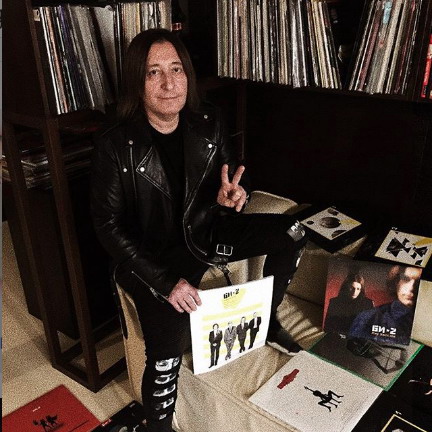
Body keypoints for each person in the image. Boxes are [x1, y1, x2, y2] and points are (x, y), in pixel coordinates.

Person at [91, 28, 307, 432]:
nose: (169, 83)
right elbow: (108, 225)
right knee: (166, 347)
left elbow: (228, 180)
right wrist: (166, 282)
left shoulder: (208, 122)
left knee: (294, 230)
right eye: (154, 72)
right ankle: (158, 426)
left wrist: (233, 197)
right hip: (150, 255)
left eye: (176, 69)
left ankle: (267, 320)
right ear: (138, 83)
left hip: (206, 233)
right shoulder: (116, 145)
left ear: (188, 75)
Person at [349, 266, 421, 345]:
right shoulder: (367, 318)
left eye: (419, 282)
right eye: (406, 279)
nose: (411, 288)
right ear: (396, 282)